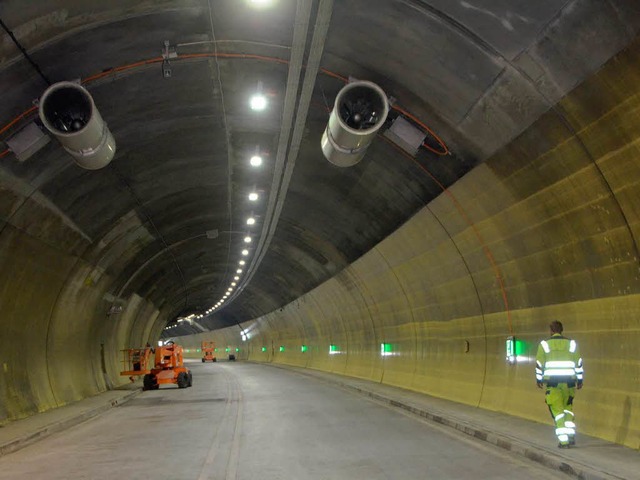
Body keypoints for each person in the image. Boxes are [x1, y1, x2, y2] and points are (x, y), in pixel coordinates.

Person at [536, 320, 584, 448]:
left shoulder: (544, 345)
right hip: (569, 384)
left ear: (551, 331)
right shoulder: (572, 344)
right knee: (568, 410)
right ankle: (571, 436)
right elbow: (578, 364)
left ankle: (564, 441)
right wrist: (580, 380)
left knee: (558, 413)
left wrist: (539, 379)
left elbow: (539, 365)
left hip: (553, 384)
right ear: (562, 330)